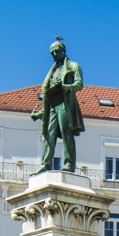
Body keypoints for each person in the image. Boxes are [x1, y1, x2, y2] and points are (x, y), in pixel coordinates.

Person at [29, 36, 86, 173]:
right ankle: (46, 163)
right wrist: (40, 114)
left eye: (56, 51)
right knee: (50, 133)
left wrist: (67, 86)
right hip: (53, 105)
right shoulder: (53, 70)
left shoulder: (73, 66)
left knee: (66, 133)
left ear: (63, 51)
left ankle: (69, 164)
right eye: (52, 53)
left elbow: (79, 83)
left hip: (65, 103)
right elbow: (49, 94)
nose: (54, 55)